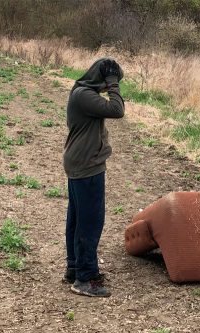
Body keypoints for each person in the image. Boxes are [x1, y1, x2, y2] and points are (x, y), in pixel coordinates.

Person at [63, 58, 125, 297]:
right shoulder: (84, 95)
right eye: (110, 80)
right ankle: (85, 277)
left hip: (80, 161)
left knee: (77, 218)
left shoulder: (82, 91)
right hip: (87, 164)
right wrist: (112, 84)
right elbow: (117, 110)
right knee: (90, 221)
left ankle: (74, 267)